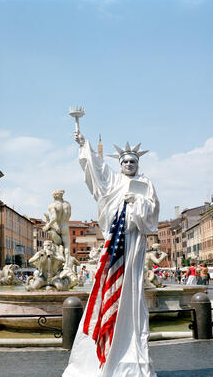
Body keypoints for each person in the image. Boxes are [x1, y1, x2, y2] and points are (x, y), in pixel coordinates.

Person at [63, 132, 159, 377]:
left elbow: (152, 214)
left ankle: (130, 352)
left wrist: (137, 202)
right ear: (121, 164)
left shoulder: (146, 184)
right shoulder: (114, 181)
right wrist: (84, 144)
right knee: (109, 293)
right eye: (125, 161)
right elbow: (97, 171)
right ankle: (105, 353)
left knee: (133, 297)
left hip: (134, 247)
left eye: (133, 162)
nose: (129, 165)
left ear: (139, 164)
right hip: (114, 247)